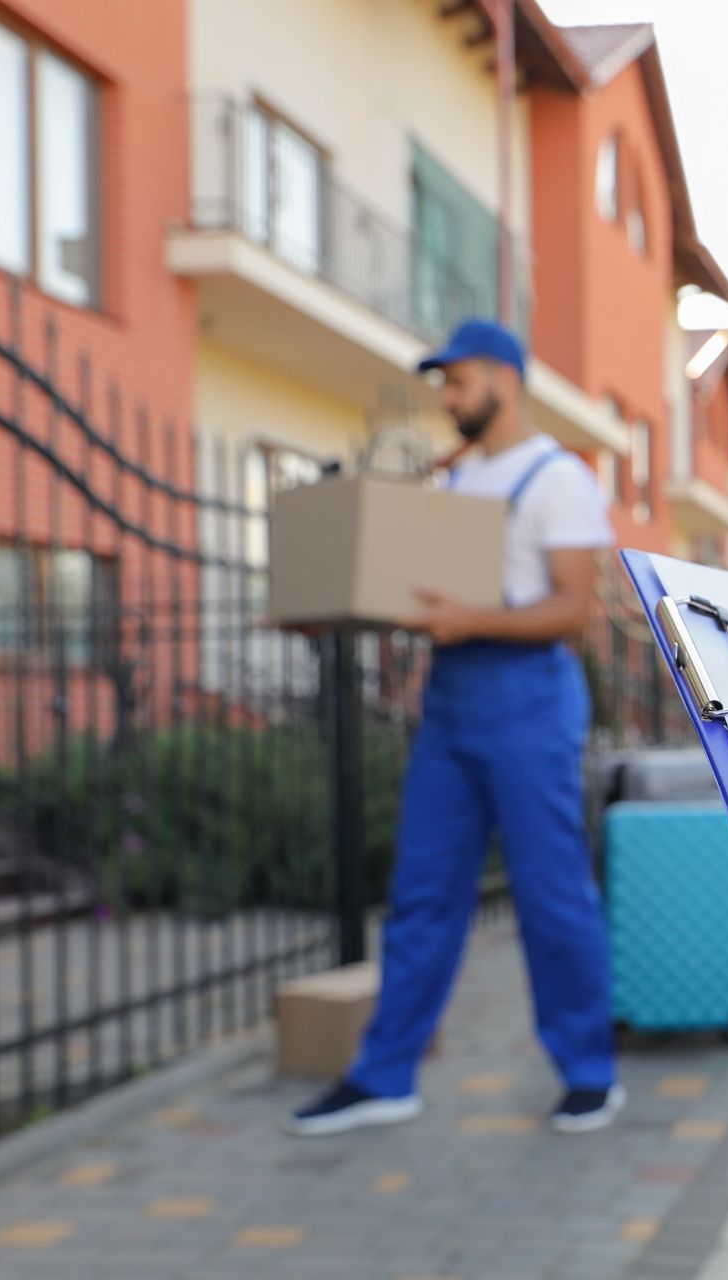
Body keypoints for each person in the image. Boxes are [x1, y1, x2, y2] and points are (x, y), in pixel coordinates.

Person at [287, 319, 623, 1137]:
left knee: (551, 896)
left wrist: (470, 621)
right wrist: (331, 603)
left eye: (458, 381)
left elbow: (573, 610)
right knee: (422, 898)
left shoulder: (558, 480)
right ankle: (383, 1076)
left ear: (504, 380)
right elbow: (416, 591)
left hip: (528, 703)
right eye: (443, 383)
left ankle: (588, 1073)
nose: (447, 396)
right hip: (450, 705)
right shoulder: (455, 482)